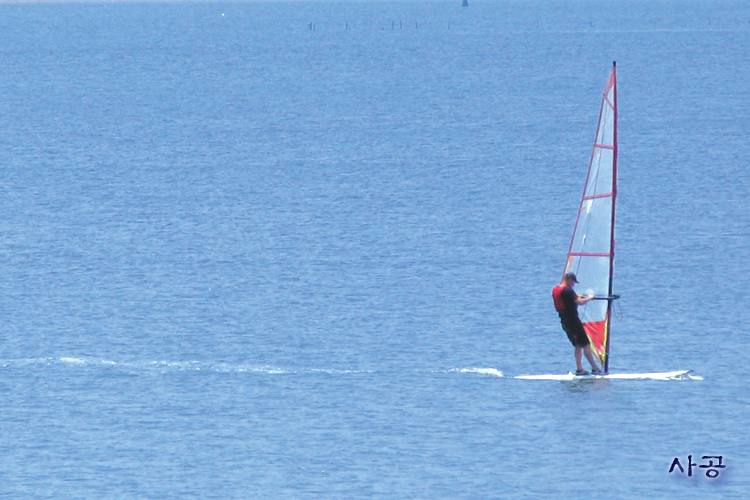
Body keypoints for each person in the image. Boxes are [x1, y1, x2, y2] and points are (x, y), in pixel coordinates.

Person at [552, 272, 603, 375]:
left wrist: (576, 296)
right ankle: (595, 368)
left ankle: (580, 369)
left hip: (564, 321)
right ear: (569, 279)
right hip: (573, 320)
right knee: (586, 344)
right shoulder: (567, 291)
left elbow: (570, 299)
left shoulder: (556, 289)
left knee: (578, 344)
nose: (573, 285)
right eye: (573, 282)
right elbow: (580, 302)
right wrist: (590, 297)